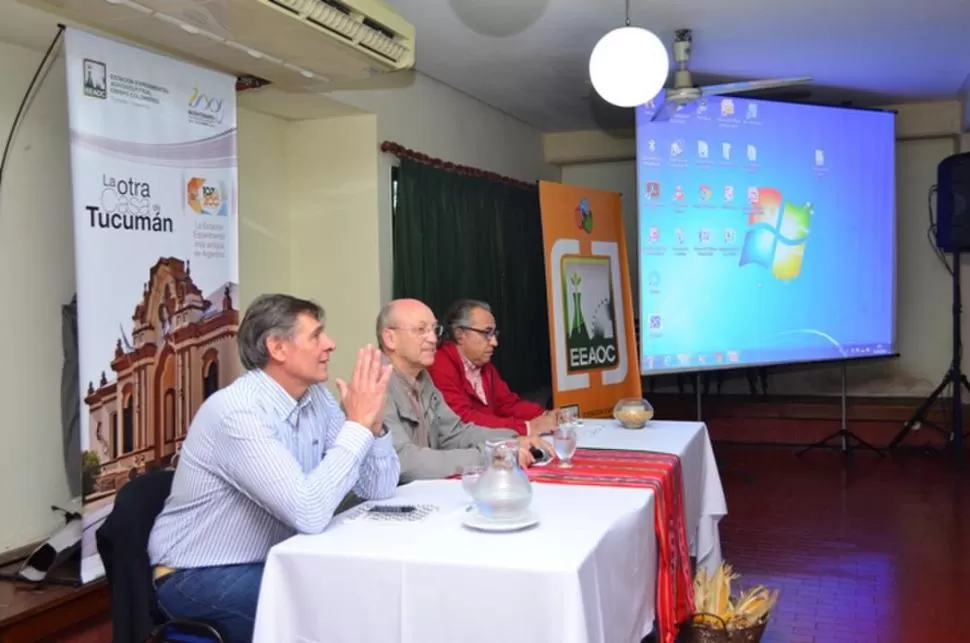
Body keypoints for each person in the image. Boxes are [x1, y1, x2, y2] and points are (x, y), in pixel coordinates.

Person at [148, 294, 400, 643]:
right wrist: (355, 426)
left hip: (277, 557)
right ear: (278, 348)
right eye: (316, 335)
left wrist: (372, 426)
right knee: (327, 610)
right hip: (195, 574)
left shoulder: (318, 398)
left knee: (363, 591)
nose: (330, 344)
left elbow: (380, 488)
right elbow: (309, 511)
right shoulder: (237, 413)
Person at [377, 298, 549, 483]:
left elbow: (455, 433)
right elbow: (404, 462)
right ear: (390, 338)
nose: (433, 339)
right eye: (421, 330)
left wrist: (514, 440)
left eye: (435, 330)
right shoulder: (376, 384)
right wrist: (488, 456)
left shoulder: (422, 378)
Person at [428, 299, 558, 437]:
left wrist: (545, 415)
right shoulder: (439, 366)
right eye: (486, 333)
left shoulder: (485, 366)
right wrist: (527, 427)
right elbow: (464, 420)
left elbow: (507, 404)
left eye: (494, 334)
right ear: (460, 334)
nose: (494, 342)